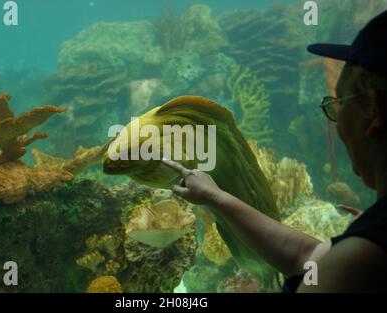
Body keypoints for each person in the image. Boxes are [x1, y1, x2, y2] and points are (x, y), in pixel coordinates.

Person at [162, 10, 387, 292]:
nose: (336, 117)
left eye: (338, 103)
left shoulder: (365, 259)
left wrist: (360, 242)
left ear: (373, 111)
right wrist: (216, 198)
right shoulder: (365, 246)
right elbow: (308, 259)